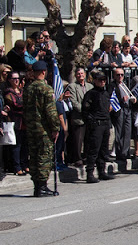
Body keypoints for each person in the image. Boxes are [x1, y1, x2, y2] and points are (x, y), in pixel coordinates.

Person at [23, 61, 60, 196]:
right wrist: (55, 127)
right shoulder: (46, 89)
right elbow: (50, 111)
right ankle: (42, 186)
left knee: (34, 156)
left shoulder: (28, 88)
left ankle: (36, 185)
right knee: (44, 156)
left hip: (31, 127)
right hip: (43, 129)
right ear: (44, 72)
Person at [82, 71, 114, 183]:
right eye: (100, 80)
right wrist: (92, 122)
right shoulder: (91, 94)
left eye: (104, 80)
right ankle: (90, 173)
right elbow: (85, 111)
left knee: (103, 150)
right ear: (95, 80)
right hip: (96, 124)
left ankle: (102, 171)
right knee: (94, 149)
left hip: (105, 123)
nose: (103, 82)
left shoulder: (105, 93)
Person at [109, 68, 136, 161]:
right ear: (114, 76)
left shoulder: (124, 84)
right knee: (119, 132)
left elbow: (129, 95)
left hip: (128, 109)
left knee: (128, 131)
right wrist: (121, 100)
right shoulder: (112, 86)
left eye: (122, 75)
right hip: (119, 110)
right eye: (118, 75)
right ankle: (120, 153)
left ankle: (126, 152)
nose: (120, 77)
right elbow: (111, 99)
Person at [67, 67, 93, 166]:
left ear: (85, 74)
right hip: (79, 117)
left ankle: (86, 157)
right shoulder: (72, 86)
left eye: (82, 73)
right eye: (78, 74)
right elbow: (74, 102)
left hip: (89, 117)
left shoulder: (90, 86)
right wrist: (85, 111)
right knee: (78, 140)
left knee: (88, 139)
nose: (80, 75)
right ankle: (77, 158)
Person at [3, 71, 28, 175]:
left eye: (18, 78)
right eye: (14, 78)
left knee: (25, 145)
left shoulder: (22, 91)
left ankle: (25, 164)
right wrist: (24, 104)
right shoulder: (8, 92)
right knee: (16, 145)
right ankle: (16, 167)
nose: (16, 80)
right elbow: (15, 104)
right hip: (15, 121)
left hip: (24, 121)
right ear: (9, 80)